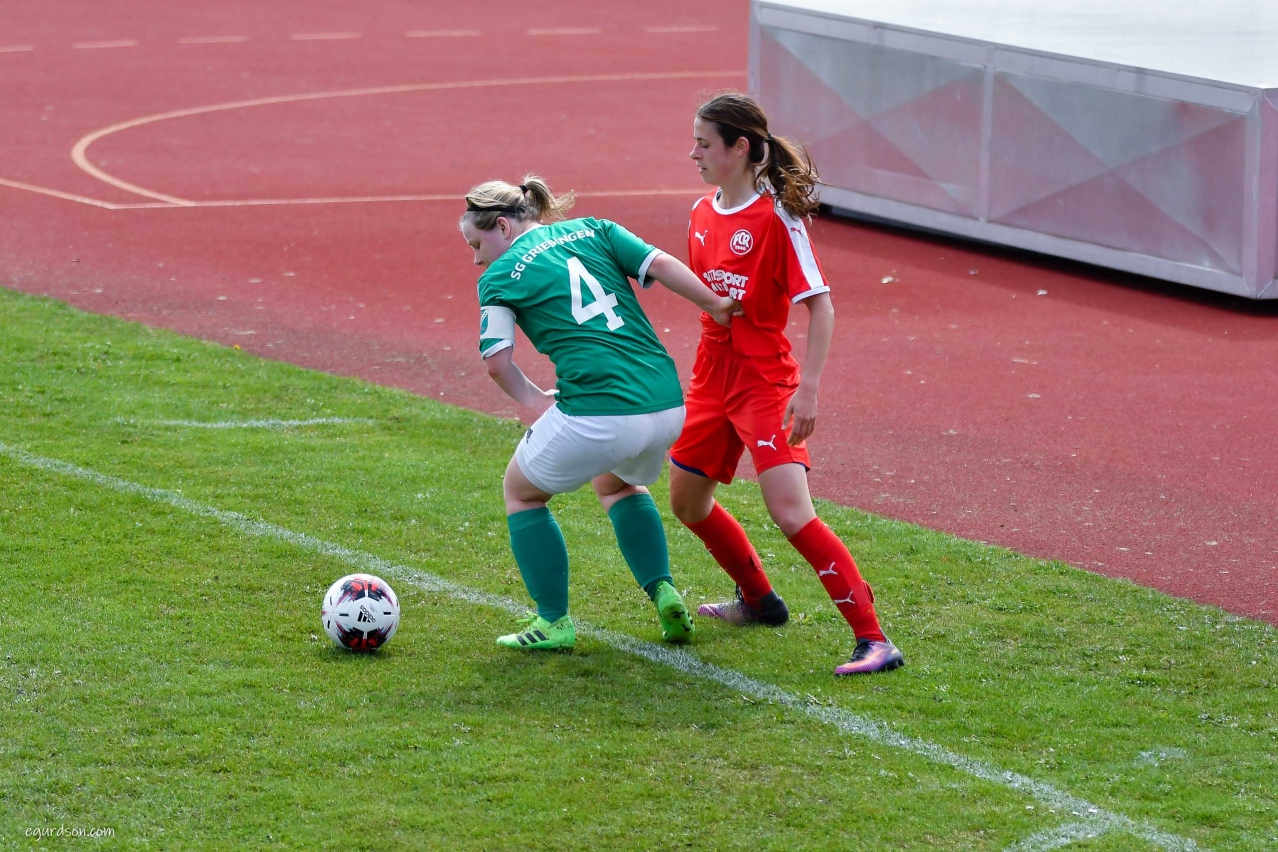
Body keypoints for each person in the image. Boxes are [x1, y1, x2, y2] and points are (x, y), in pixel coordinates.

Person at [668, 92, 905, 676]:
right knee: (687, 501)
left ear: (739, 147)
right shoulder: (699, 214)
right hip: (710, 378)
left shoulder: (778, 218)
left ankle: (874, 640)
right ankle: (759, 601)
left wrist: (810, 388)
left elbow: (820, 306)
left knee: (791, 512)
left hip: (763, 382)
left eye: (703, 143)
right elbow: (708, 295)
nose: (693, 153)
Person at [461, 175, 739, 652]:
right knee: (617, 484)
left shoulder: (498, 277)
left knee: (521, 493)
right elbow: (661, 264)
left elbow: (497, 363)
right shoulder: (595, 228)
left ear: (503, 227)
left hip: (600, 411)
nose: (476, 259)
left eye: (477, 244)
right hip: (667, 402)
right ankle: (664, 592)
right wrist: (715, 304)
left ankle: (553, 621)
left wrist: (536, 402)